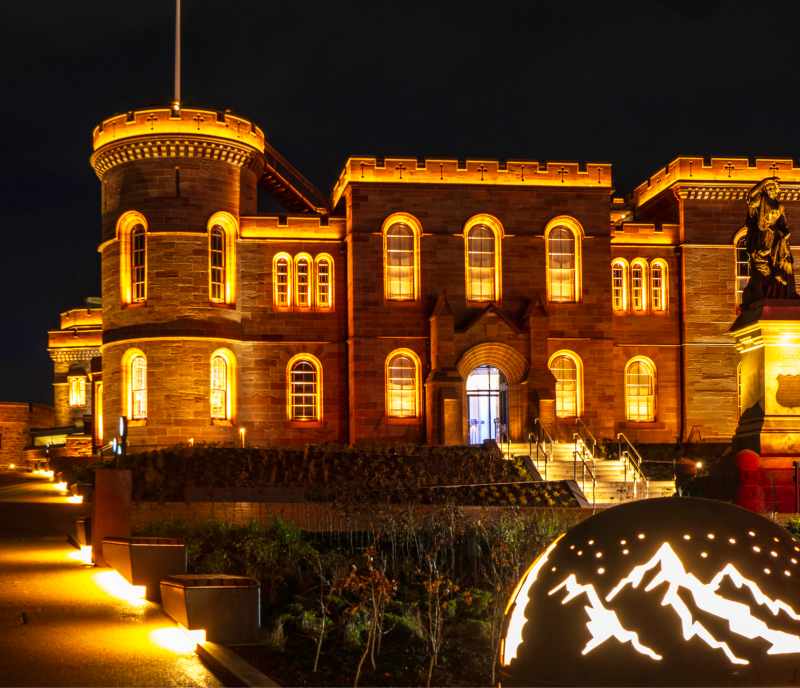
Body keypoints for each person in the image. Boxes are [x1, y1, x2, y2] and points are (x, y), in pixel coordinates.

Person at [742, 177, 800, 306]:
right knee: (762, 263)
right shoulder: (760, 200)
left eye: (773, 188)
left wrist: (786, 232)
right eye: (768, 188)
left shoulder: (779, 206)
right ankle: (761, 291)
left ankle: (786, 291)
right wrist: (766, 181)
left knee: (783, 260)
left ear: (776, 190)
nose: (771, 190)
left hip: (775, 236)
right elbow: (751, 195)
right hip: (762, 235)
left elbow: (782, 224)